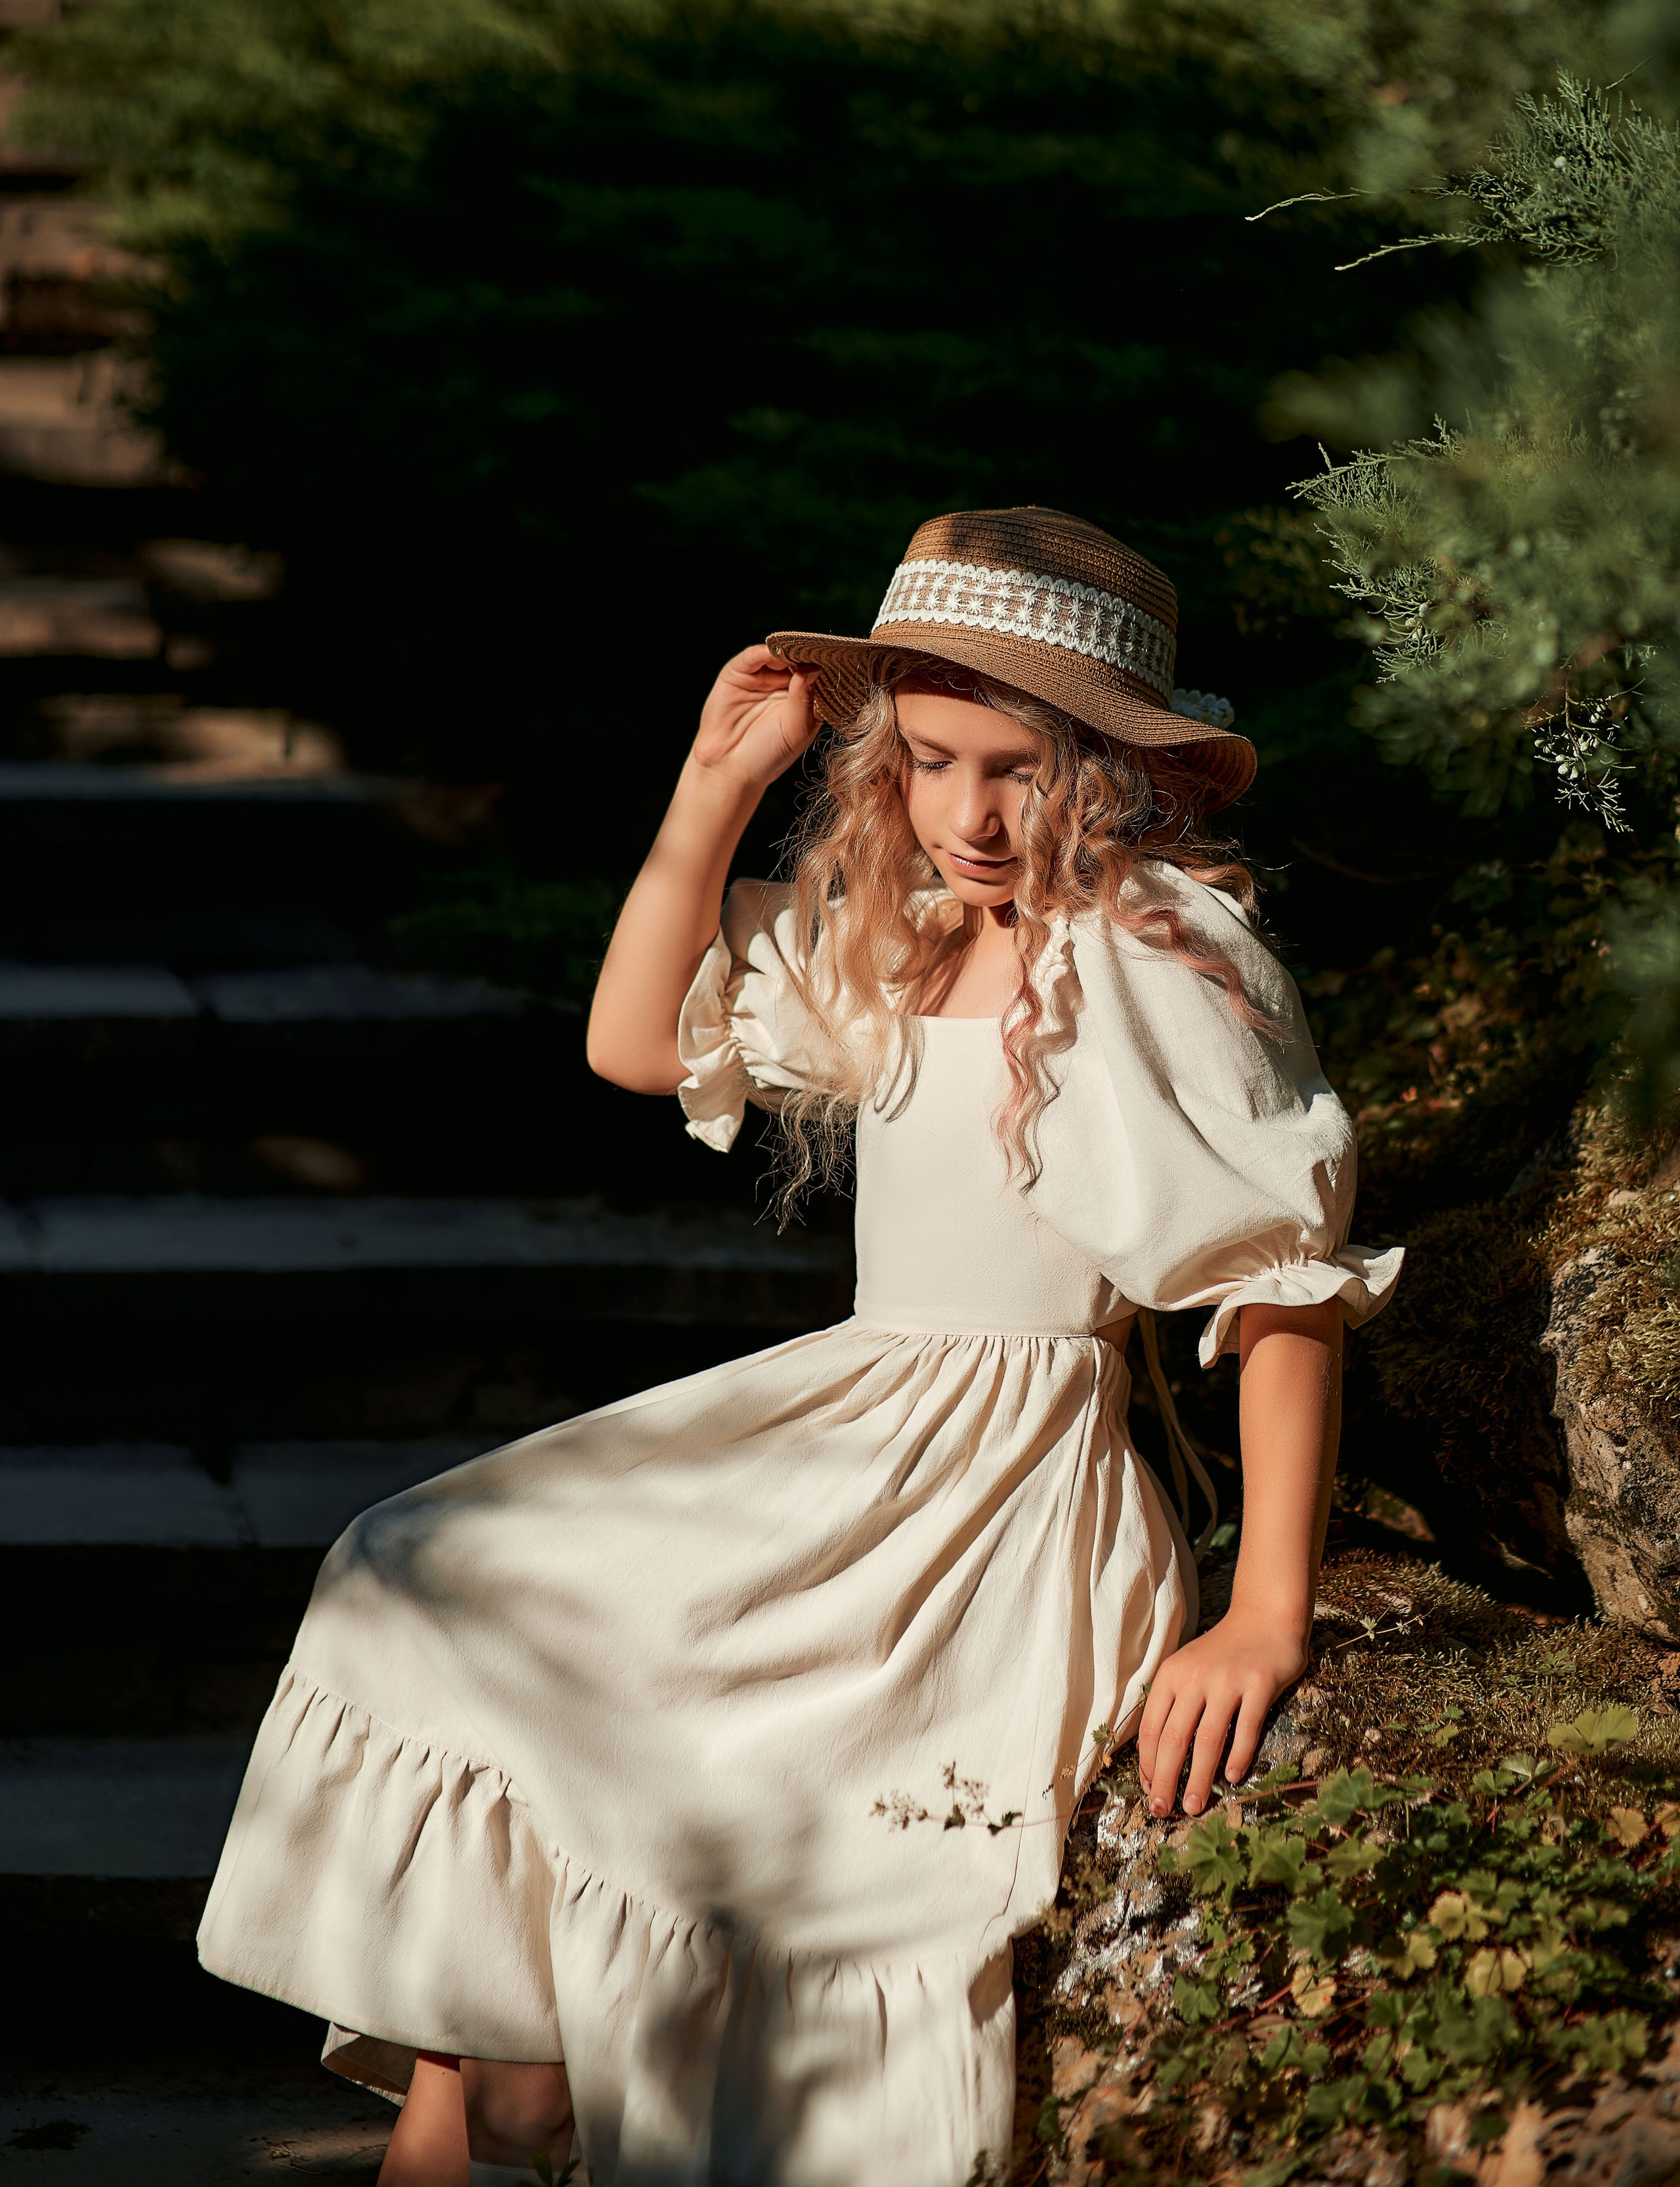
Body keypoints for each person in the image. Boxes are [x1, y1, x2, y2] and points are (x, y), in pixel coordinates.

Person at [196, 506, 1401, 2187]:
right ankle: (500, 2087)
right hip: (848, 1408)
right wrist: (712, 788)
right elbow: (630, 1044)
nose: (968, 816)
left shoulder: (1153, 956)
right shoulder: (905, 929)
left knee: (753, 1801)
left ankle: (484, 2112)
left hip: (991, 1477)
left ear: (1110, 772)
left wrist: (1263, 1610)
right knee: (417, 1571)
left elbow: (1276, 1284)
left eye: (1015, 769)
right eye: (923, 760)